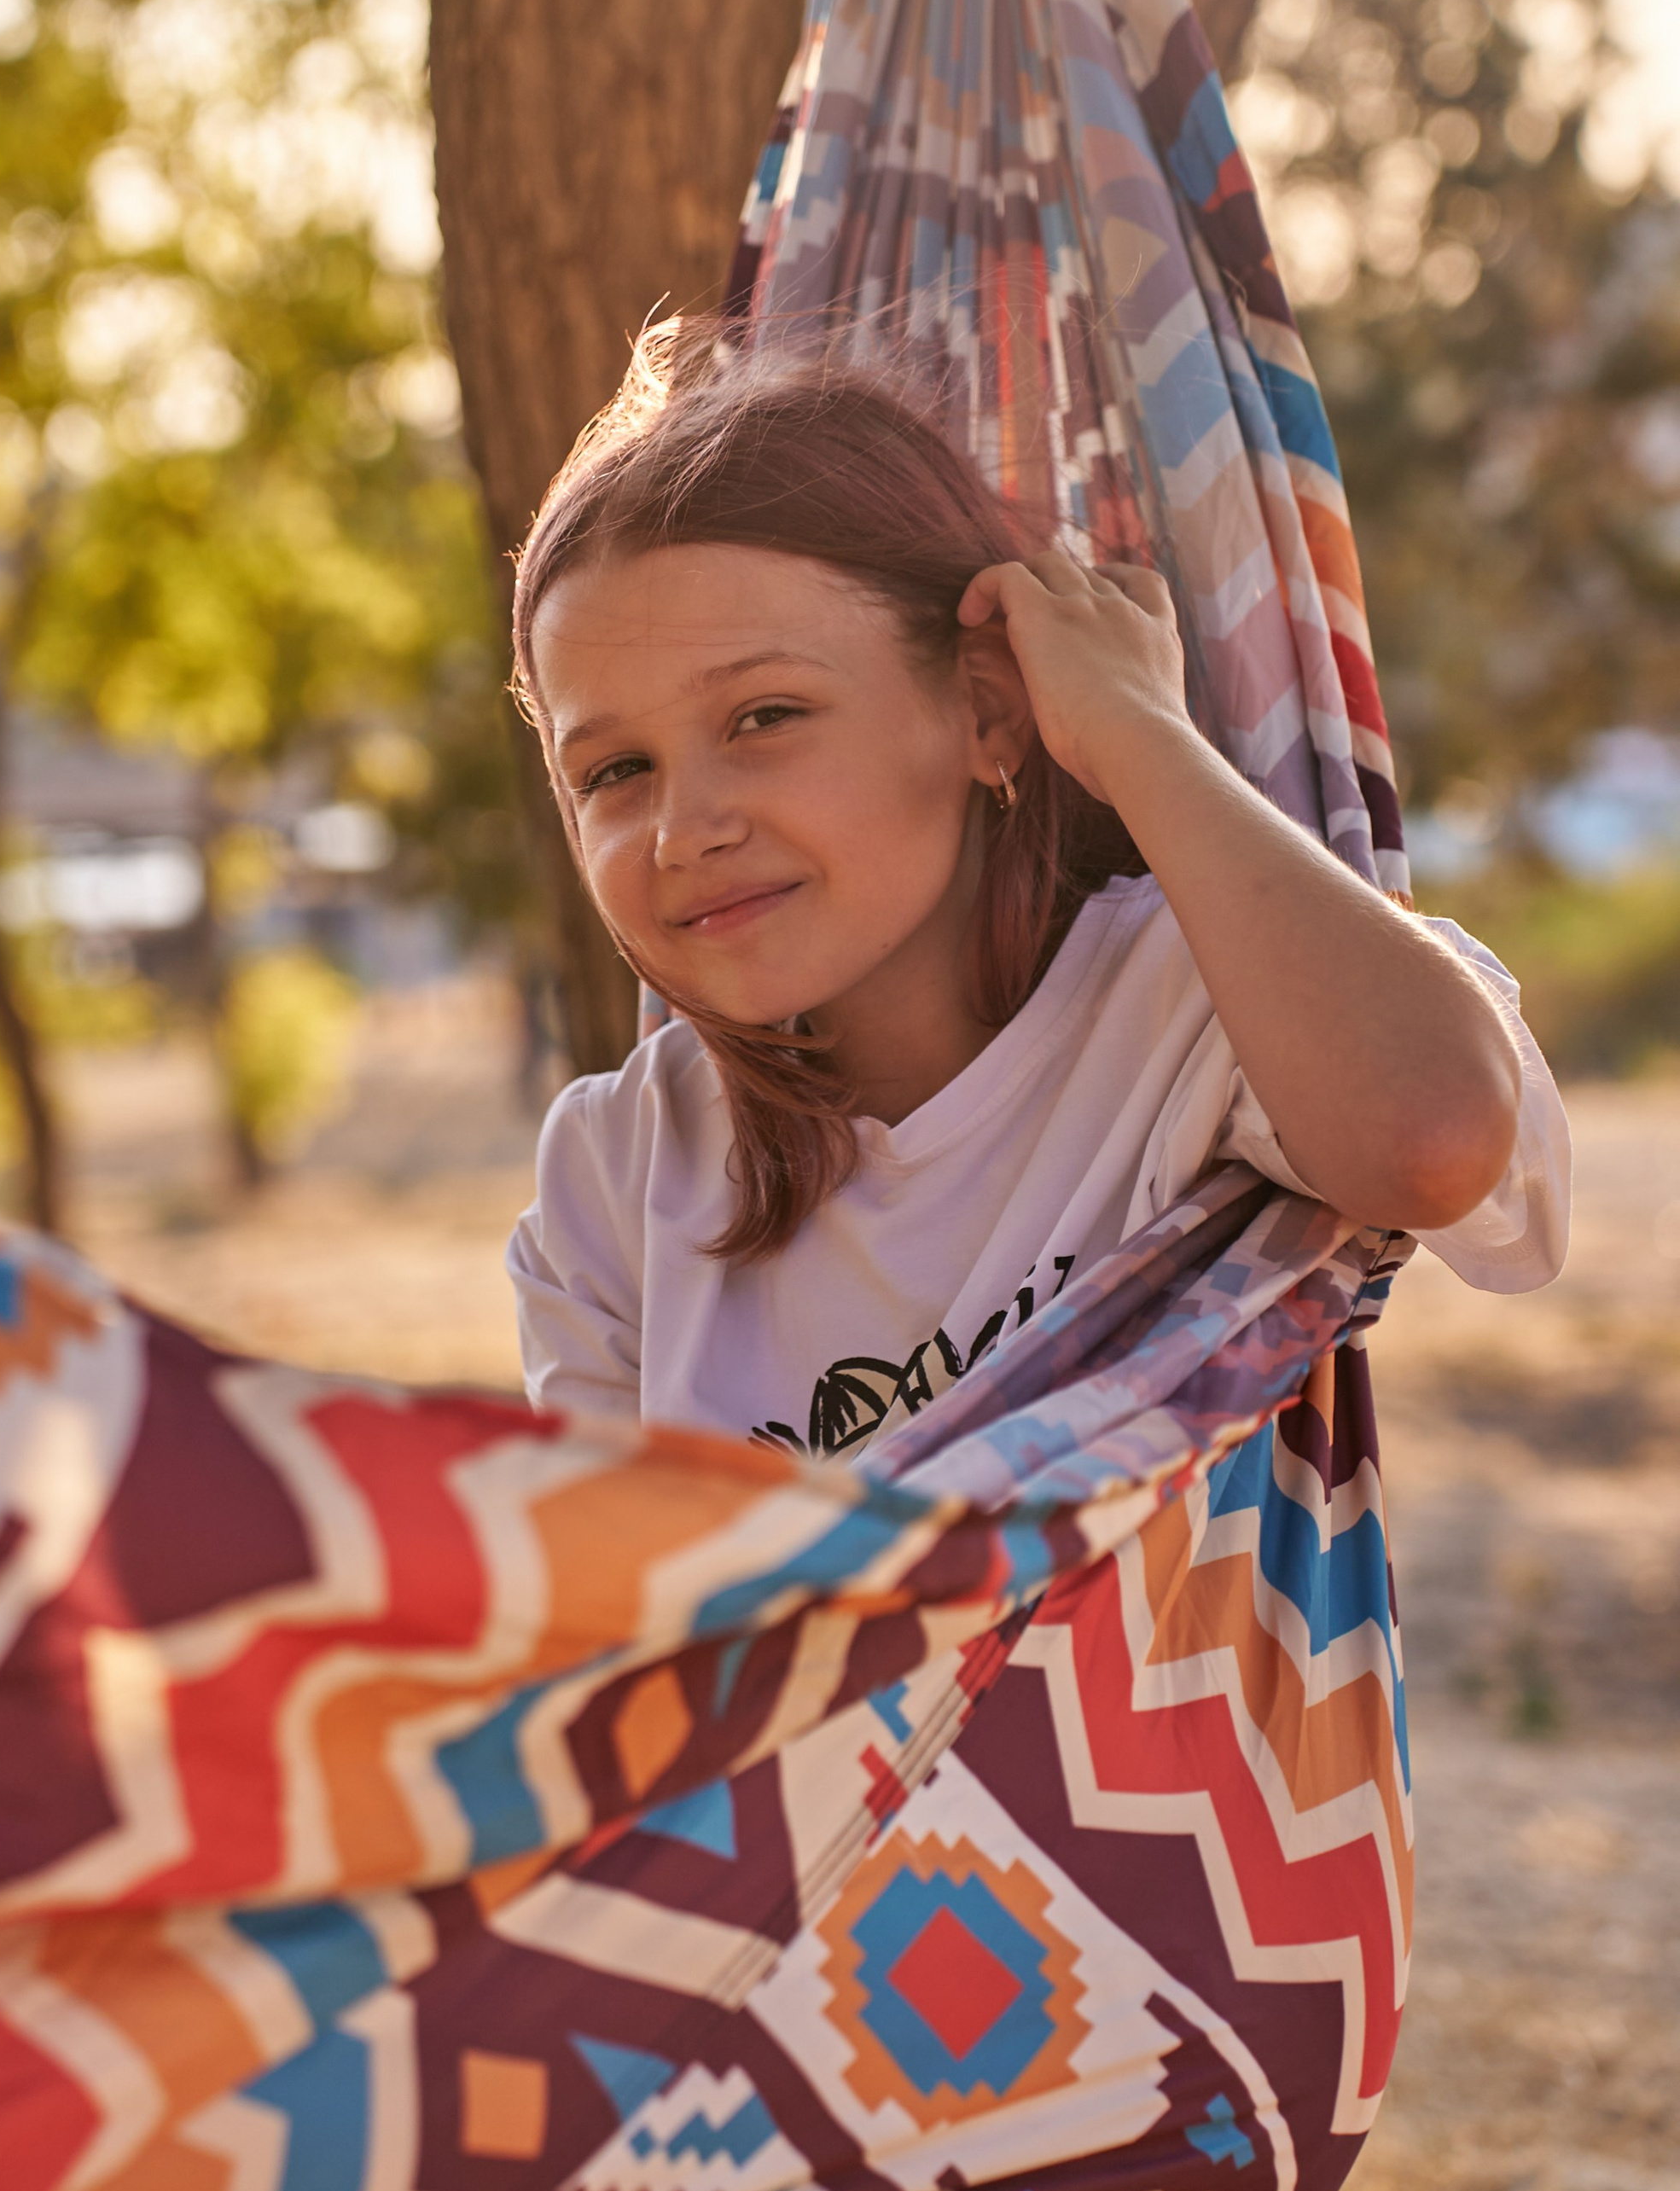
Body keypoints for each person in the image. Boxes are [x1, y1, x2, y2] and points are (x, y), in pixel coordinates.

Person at [505, 349, 1568, 1459]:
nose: (685, 830)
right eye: (614, 772)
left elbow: (1438, 1139)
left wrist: (1134, 728)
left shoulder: (1197, 1005)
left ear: (990, 712)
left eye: (764, 716)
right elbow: (615, 1606)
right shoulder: (618, 1173)